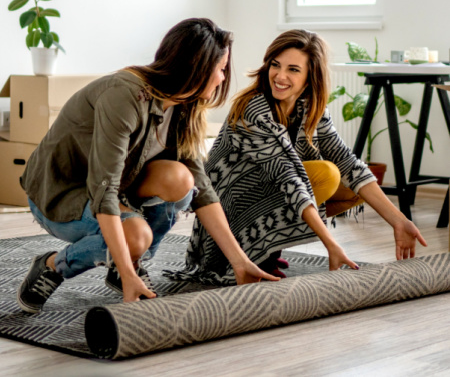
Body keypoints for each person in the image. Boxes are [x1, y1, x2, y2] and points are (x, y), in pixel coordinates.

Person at [17, 18, 280, 314]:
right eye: (220, 69)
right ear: (198, 68)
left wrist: (239, 262)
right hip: (62, 193)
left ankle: (127, 261)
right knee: (137, 236)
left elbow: (202, 190)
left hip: (116, 187)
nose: (222, 78)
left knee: (182, 180)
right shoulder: (125, 95)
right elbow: (104, 190)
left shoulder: (184, 104)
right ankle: (53, 267)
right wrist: (129, 273)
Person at [170, 29, 428, 285]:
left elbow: (348, 162)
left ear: (309, 77)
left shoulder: (311, 107)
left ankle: (270, 244)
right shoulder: (254, 108)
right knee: (324, 174)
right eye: (275, 65)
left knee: (353, 185)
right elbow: (289, 178)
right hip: (229, 206)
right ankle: (257, 246)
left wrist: (399, 221)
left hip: (270, 193)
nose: (280, 76)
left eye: (293, 69)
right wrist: (332, 245)